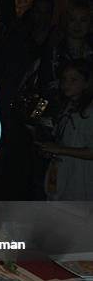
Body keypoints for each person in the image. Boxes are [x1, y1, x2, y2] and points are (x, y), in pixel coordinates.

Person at [40, 59, 93, 200]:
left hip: (81, 177)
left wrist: (59, 149)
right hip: (62, 174)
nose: (66, 84)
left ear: (87, 83)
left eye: (73, 80)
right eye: (64, 79)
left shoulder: (90, 111)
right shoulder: (67, 107)